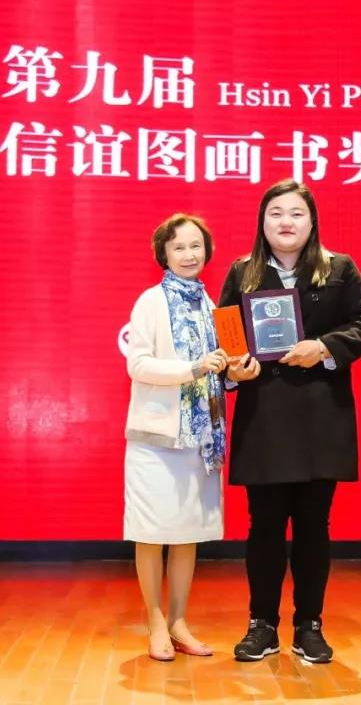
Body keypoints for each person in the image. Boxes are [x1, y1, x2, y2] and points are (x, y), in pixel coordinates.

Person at [221, 179, 361, 663]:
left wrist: (324, 347)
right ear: (262, 222)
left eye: (296, 213)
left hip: (319, 417)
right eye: (275, 213)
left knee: (314, 525)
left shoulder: (339, 268)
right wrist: (233, 369)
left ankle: (309, 625)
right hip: (264, 418)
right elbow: (226, 334)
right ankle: (261, 625)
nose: (285, 222)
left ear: (312, 222)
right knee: (264, 525)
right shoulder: (243, 271)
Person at [124, 213, 229, 661]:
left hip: (200, 438)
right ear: (163, 255)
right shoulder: (150, 302)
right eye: (179, 247)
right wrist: (193, 368)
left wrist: (237, 371)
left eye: (195, 246)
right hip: (156, 437)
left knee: (187, 533)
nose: (189, 254)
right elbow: (138, 364)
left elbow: (225, 367)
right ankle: (154, 622)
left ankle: (179, 621)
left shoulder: (213, 306)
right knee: (151, 532)